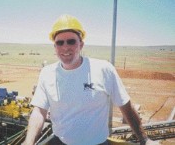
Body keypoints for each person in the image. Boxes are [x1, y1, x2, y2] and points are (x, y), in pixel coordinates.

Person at [24, 14, 159, 145]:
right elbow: (39, 111)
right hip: (60, 142)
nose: (65, 47)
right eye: (60, 42)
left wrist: (145, 140)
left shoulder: (104, 69)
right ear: (55, 47)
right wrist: (28, 142)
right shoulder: (47, 73)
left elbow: (125, 106)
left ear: (81, 44)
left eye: (71, 41)